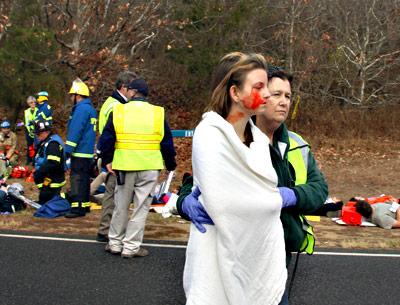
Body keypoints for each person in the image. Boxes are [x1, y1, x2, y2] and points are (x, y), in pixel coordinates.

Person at [177, 67, 328, 305]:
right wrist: (184, 203)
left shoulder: (298, 145)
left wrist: (292, 195)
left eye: (288, 97)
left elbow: (319, 190)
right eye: (276, 94)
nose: (282, 102)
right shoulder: (232, 139)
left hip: (275, 255)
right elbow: (196, 184)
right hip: (235, 252)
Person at [183, 52, 289, 305]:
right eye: (259, 87)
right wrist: (272, 201)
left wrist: (269, 199)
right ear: (235, 93)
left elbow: (259, 196)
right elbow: (225, 204)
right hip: (215, 257)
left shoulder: (260, 143)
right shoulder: (210, 135)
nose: (267, 94)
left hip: (256, 259)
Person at [98, 76, 177, 258]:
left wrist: (108, 160)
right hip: (149, 166)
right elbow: (166, 142)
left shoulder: (118, 111)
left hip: (124, 166)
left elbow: (107, 139)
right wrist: (170, 163)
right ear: (146, 95)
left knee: (121, 206)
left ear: (132, 92)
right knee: (141, 208)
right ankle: (131, 247)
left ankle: (115, 243)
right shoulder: (158, 113)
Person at [96, 70, 138, 243]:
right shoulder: (116, 106)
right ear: (124, 87)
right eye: (132, 89)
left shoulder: (112, 102)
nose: (134, 93)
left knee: (114, 193)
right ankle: (106, 230)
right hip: (114, 157)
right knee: (112, 194)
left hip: (113, 155)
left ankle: (109, 229)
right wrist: (108, 160)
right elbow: (110, 135)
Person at [64, 78, 97, 218]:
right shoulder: (90, 109)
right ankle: (84, 205)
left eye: (72, 95)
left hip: (80, 152)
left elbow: (75, 131)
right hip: (88, 152)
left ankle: (77, 208)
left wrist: (67, 150)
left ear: (78, 95)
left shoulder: (81, 109)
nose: (71, 98)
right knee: (84, 180)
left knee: (77, 179)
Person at [33, 120, 66, 205]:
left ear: (46, 132)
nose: (37, 136)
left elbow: (53, 162)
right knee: (44, 198)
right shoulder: (47, 141)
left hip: (52, 178)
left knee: (48, 200)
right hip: (48, 177)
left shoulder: (53, 144)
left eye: (38, 133)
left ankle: (63, 199)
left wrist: (40, 172)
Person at [24, 96, 37, 165]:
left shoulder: (38, 110)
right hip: (28, 131)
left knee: (36, 146)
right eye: (31, 103)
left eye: (34, 102)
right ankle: (29, 160)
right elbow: (24, 121)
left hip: (37, 131)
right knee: (29, 146)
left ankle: (35, 160)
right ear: (28, 104)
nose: (33, 104)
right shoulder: (26, 111)